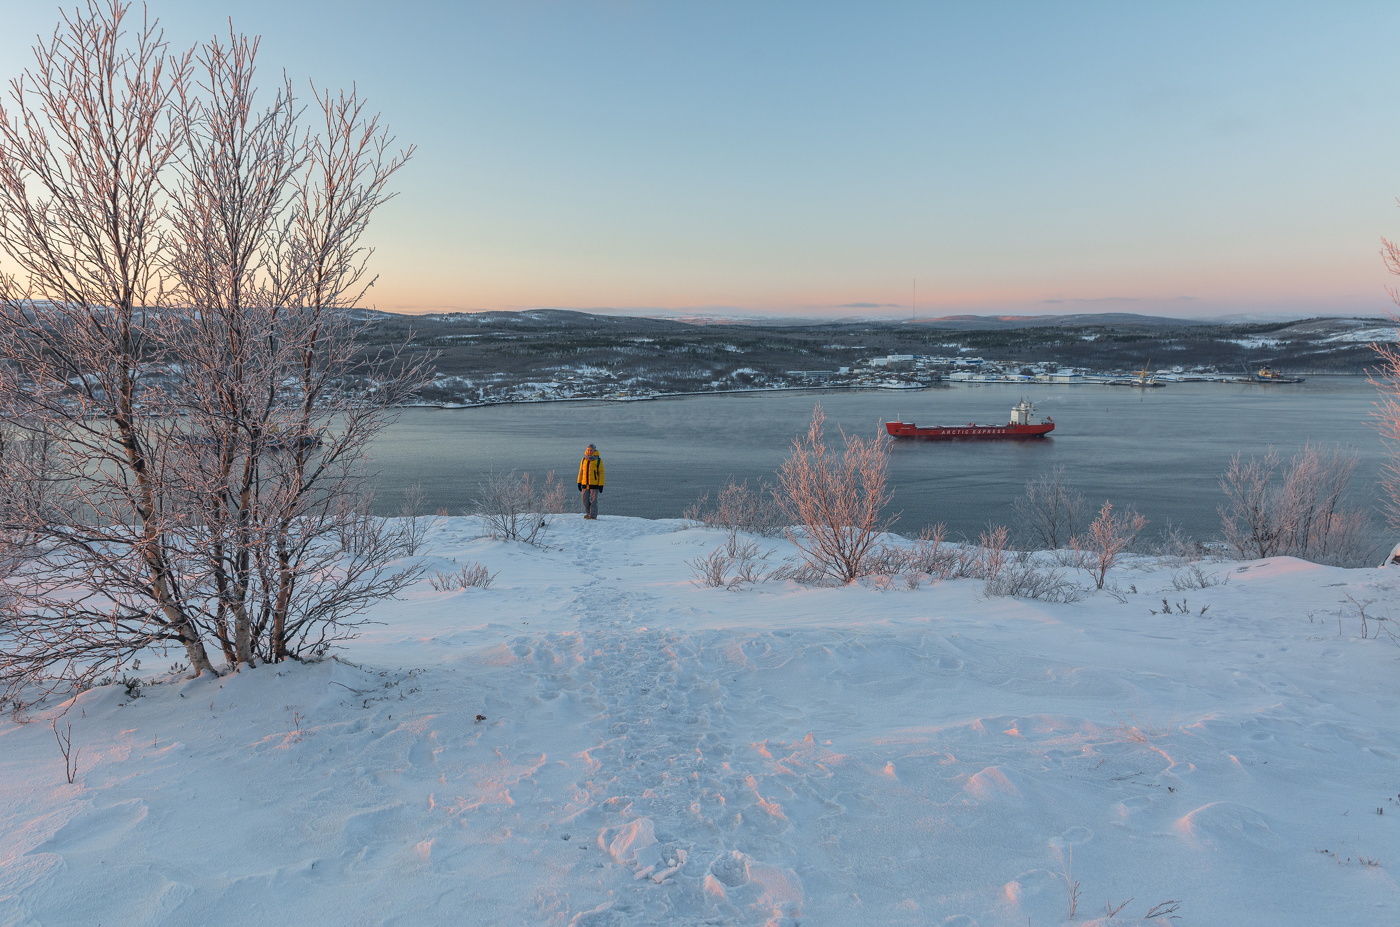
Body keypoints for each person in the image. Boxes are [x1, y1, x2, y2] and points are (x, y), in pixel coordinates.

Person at [577, 443, 604, 519]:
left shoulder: (598, 460)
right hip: (584, 484)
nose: (589, 452)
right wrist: (579, 482)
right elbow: (581, 472)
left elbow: (601, 473)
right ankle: (588, 513)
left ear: (594, 450)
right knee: (584, 500)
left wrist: (601, 485)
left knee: (593, 501)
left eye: (591, 450)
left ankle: (593, 515)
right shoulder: (583, 460)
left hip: (594, 484)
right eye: (588, 450)